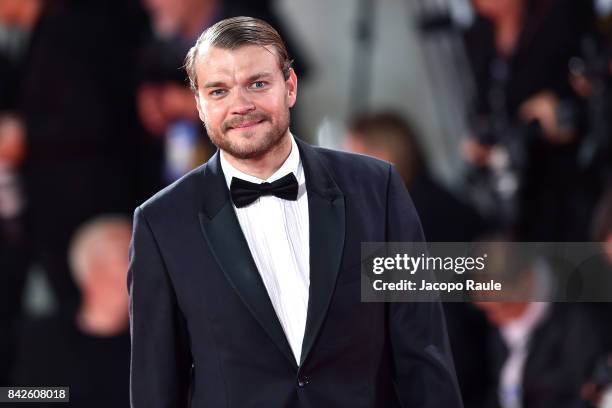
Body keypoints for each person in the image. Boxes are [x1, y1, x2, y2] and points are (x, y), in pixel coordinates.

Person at [128, 16, 462, 408]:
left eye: (257, 83)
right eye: (218, 91)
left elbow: (423, 352)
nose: (241, 105)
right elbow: (155, 389)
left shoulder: (377, 188)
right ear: (199, 105)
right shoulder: (161, 223)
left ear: (290, 86)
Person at [12, 215, 132, 408]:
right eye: (125, 258)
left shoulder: (153, 342)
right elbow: (14, 396)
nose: (142, 269)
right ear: (94, 271)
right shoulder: (43, 337)